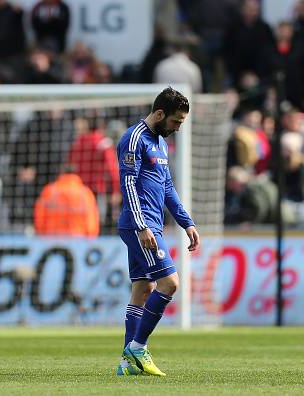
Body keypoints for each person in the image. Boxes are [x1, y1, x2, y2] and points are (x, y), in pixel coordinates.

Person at [116, 87, 200, 376]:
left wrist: (186, 221)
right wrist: (141, 226)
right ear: (160, 113)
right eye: (176, 122)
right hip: (139, 225)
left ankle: (127, 364)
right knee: (170, 283)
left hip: (150, 224)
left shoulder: (161, 144)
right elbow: (128, 185)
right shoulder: (134, 138)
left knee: (143, 289)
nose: (177, 128)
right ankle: (138, 347)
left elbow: (166, 188)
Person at [33, 166, 99, 237]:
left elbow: (40, 217)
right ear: (76, 175)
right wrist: (90, 237)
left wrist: (41, 234)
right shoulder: (85, 193)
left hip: (52, 238)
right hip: (78, 239)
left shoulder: (49, 191)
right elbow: (91, 220)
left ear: (61, 174)